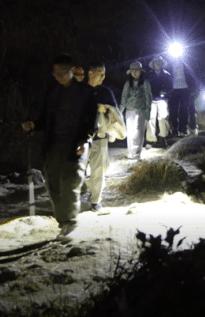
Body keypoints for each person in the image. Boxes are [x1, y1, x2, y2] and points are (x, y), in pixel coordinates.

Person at [22, 54, 97, 240]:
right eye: (56, 73)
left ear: (72, 71)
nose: (59, 76)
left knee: (71, 182)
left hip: (75, 143)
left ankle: (70, 223)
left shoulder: (86, 92)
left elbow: (91, 121)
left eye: (63, 72)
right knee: (52, 183)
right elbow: (45, 118)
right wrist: (34, 124)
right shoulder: (53, 92)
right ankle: (63, 221)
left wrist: (84, 139)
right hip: (54, 143)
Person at [85, 62, 119, 212]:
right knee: (78, 169)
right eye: (101, 73)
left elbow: (116, 113)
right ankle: (79, 195)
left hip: (100, 136)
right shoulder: (80, 90)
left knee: (99, 169)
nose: (103, 77)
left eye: (104, 74)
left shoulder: (106, 92)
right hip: (81, 137)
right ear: (91, 73)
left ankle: (95, 200)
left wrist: (107, 110)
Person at [119, 61, 152, 160]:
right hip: (129, 111)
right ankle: (131, 152)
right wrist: (119, 111)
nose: (134, 72)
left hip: (140, 110)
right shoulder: (128, 83)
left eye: (136, 70)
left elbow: (148, 97)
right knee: (130, 131)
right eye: (132, 71)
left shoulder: (145, 83)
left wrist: (147, 111)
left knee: (138, 131)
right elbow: (124, 97)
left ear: (141, 71)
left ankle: (136, 153)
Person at [145, 57, 172, 143]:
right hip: (151, 99)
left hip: (162, 99)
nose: (158, 64)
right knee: (151, 118)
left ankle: (163, 136)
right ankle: (151, 138)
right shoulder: (148, 75)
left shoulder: (167, 74)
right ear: (153, 64)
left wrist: (165, 93)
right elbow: (145, 87)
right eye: (156, 62)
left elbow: (170, 87)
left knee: (163, 118)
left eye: (159, 62)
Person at [168, 51, 193, 136]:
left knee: (184, 109)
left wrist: (192, 88)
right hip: (173, 89)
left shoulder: (186, 63)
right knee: (173, 110)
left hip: (185, 88)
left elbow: (191, 74)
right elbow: (167, 76)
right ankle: (175, 128)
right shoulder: (169, 64)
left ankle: (183, 128)